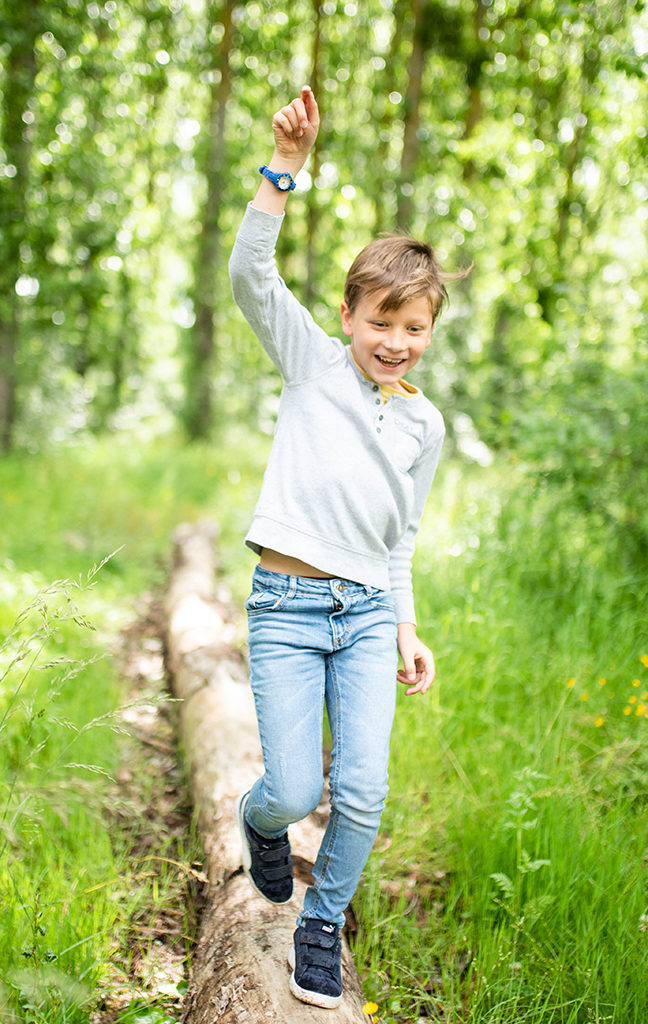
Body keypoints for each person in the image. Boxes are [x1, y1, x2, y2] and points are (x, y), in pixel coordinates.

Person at [229, 86, 455, 1010]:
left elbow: (398, 538)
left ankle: (321, 926)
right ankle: (259, 822)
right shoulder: (312, 361)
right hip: (285, 609)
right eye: (380, 323)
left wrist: (406, 626)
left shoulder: (424, 426)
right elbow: (251, 275)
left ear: (429, 332)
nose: (394, 343)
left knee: (360, 792)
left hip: (364, 616)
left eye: (414, 329)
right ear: (350, 313)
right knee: (291, 787)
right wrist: (285, 171)